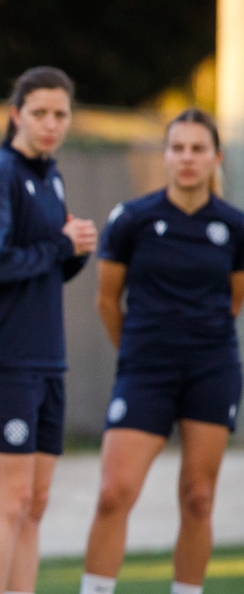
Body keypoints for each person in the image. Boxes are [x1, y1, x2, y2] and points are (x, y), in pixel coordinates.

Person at [77, 108, 241, 594]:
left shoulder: (234, 227)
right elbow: (108, 300)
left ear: (215, 157)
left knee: (198, 499)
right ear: (165, 155)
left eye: (197, 149)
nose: (187, 158)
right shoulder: (133, 220)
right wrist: (137, 351)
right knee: (114, 493)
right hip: (145, 371)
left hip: (211, 369)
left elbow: (234, 299)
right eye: (178, 148)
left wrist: (198, 341)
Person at [0, 67, 97, 594]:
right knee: (12, 499)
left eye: (60, 114)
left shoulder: (51, 176)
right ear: (15, 113)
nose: (50, 124)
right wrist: (63, 247)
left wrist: (76, 250)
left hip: (47, 356)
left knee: (36, 504)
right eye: (39, 112)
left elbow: (48, 267)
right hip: (4, 358)